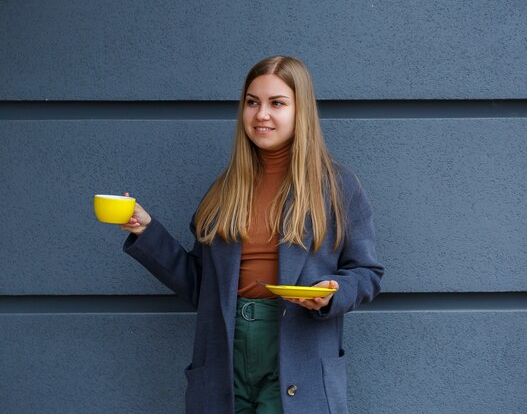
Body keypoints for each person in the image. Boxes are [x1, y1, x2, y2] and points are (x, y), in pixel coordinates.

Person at [120, 55, 383, 414]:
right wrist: (146, 231)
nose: (261, 114)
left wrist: (333, 294)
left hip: (297, 351)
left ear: (300, 110)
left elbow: (367, 273)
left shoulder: (337, 187)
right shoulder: (225, 189)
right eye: (252, 102)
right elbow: (201, 286)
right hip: (226, 354)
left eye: (277, 103)